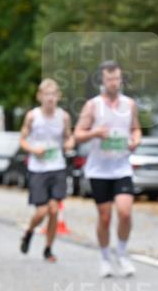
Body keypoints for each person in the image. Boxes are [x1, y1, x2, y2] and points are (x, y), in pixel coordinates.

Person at [74, 61, 142, 277]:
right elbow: (77, 134)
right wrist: (94, 133)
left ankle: (121, 253)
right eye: (109, 79)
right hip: (99, 170)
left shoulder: (129, 104)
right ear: (102, 81)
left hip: (122, 167)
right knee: (105, 217)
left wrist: (134, 141)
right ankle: (104, 257)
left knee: (125, 212)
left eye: (116, 78)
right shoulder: (93, 106)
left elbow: (136, 129)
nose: (113, 82)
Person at [18, 78, 74, 262]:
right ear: (40, 97)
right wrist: (34, 150)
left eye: (53, 94)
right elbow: (22, 140)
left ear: (58, 96)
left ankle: (48, 248)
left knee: (54, 210)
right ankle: (29, 231)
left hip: (57, 167)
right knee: (41, 211)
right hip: (38, 168)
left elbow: (68, 137)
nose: (50, 98)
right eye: (46, 95)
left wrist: (69, 144)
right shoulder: (33, 116)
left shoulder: (63, 117)